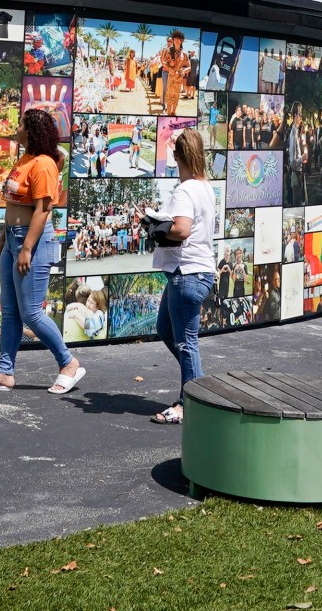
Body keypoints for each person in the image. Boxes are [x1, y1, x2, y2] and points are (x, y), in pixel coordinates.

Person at [0, 107, 85, 394]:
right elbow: (14, 206)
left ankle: (68, 363)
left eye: (21, 124)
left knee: (32, 313)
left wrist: (26, 249)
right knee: (10, 312)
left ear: (31, 131)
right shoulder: (25, 160)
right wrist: (4, 239)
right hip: (13, 239)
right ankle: (5, 373)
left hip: (32, 242)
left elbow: (43, 210)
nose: (16, 128)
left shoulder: (44, 164)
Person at [149, 124, 218, 424]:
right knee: (166, 330)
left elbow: (182, 230)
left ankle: (187, 403)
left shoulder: (184, 189)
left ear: (178, 157)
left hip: (186, 273)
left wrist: (153, 227)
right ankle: (197, 383)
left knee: (186, 342)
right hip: (197, 272)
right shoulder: (205, 188)